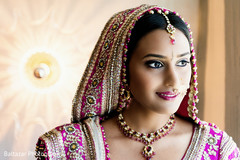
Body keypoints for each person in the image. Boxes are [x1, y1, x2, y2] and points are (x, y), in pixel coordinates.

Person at [35, 4, 239, 160]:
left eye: (183, 62)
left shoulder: (218, 148)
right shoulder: (63, 147)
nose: (174, 80)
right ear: (121, 68)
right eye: (155, 64)